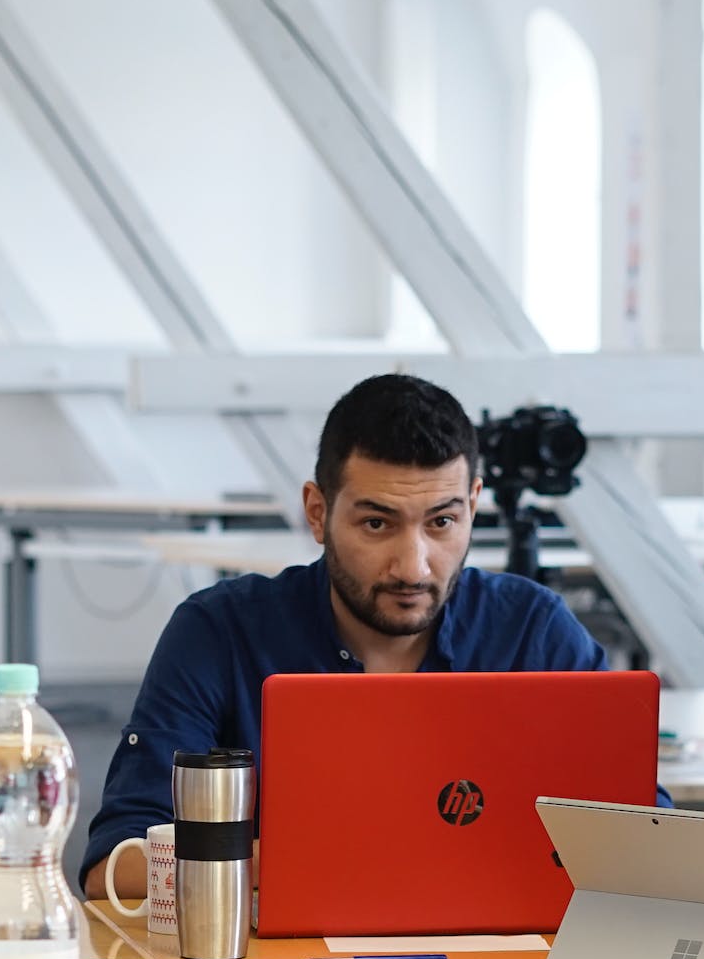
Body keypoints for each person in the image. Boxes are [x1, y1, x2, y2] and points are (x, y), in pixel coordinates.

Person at [81, 371, 608, 872]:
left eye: (442, 522)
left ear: (473, 504)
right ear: (317, 512)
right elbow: (119, 858)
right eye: (377, 523)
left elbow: (635, 833)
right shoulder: (220, 632)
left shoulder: (532, 631)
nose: (413, 566)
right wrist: (333, 864)